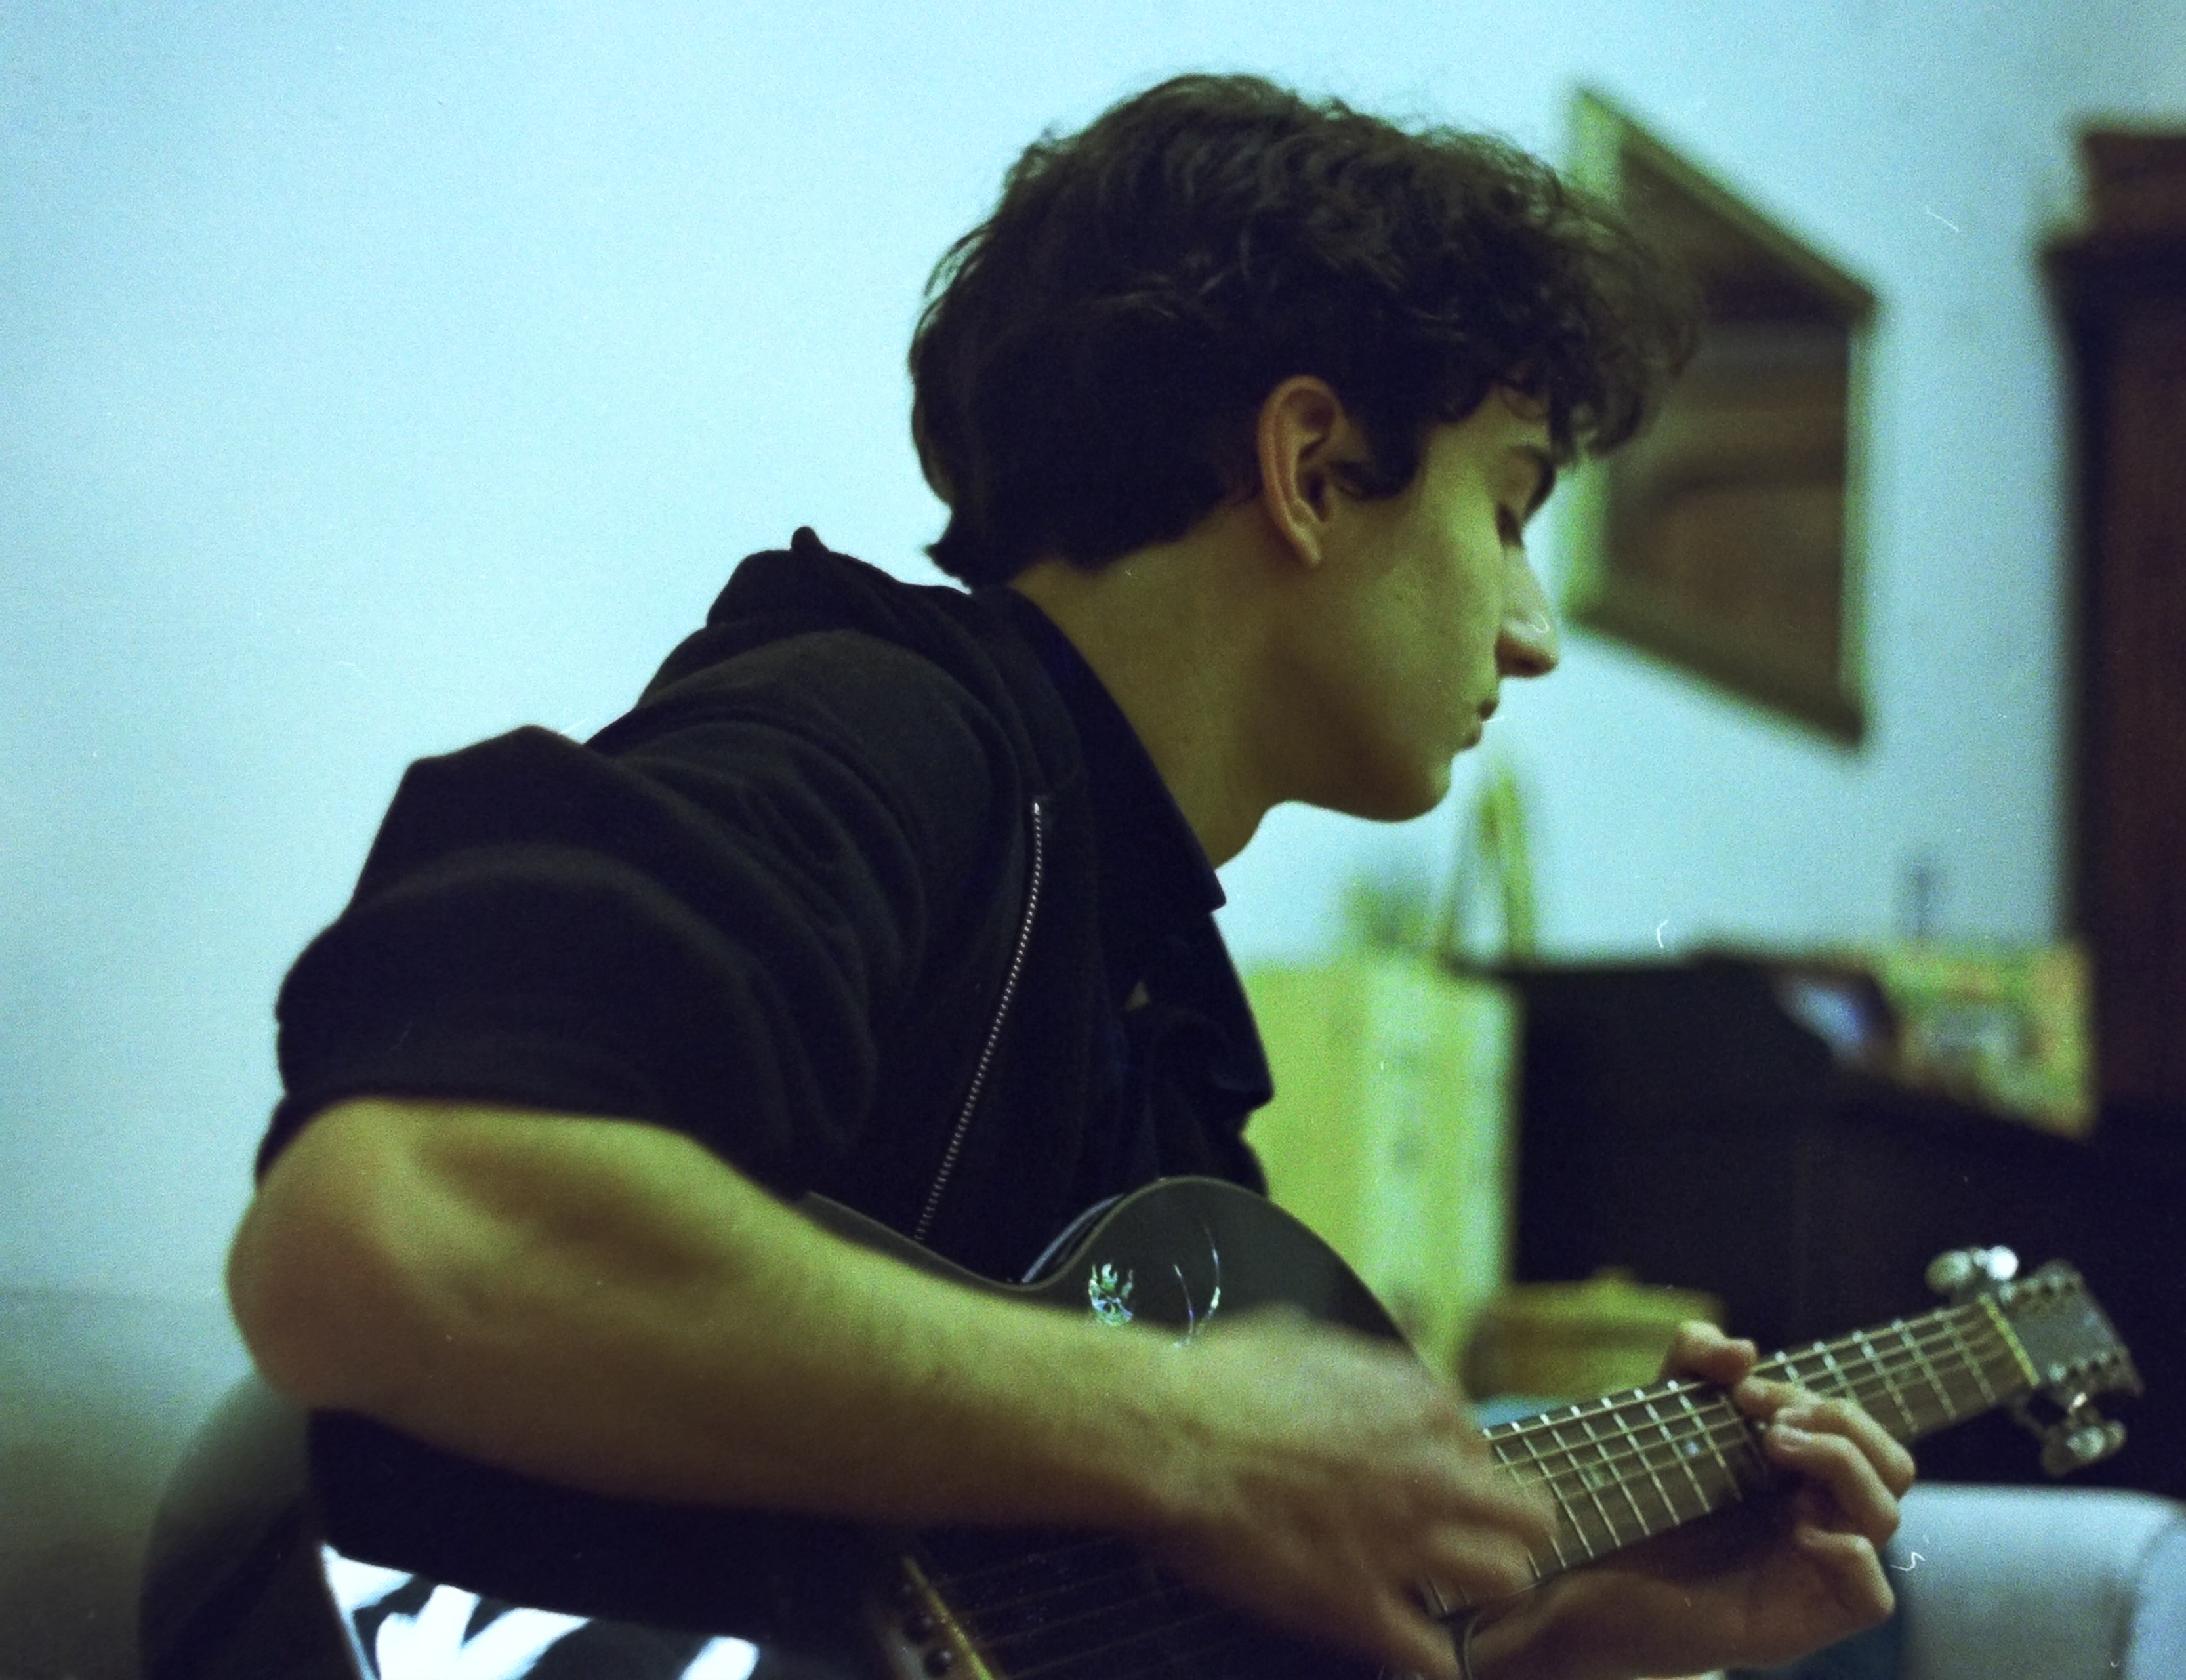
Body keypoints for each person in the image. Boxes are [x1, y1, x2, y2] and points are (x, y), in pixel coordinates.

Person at [222, 73, 1913, 1680]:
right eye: (1510, 508)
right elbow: (390, 1225)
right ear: (1313, 470)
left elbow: (1072, 1615)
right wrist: (1186, 1428)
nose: (1534, 633)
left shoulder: (1145, 996)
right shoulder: (881, 733)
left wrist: (1556, 1637)